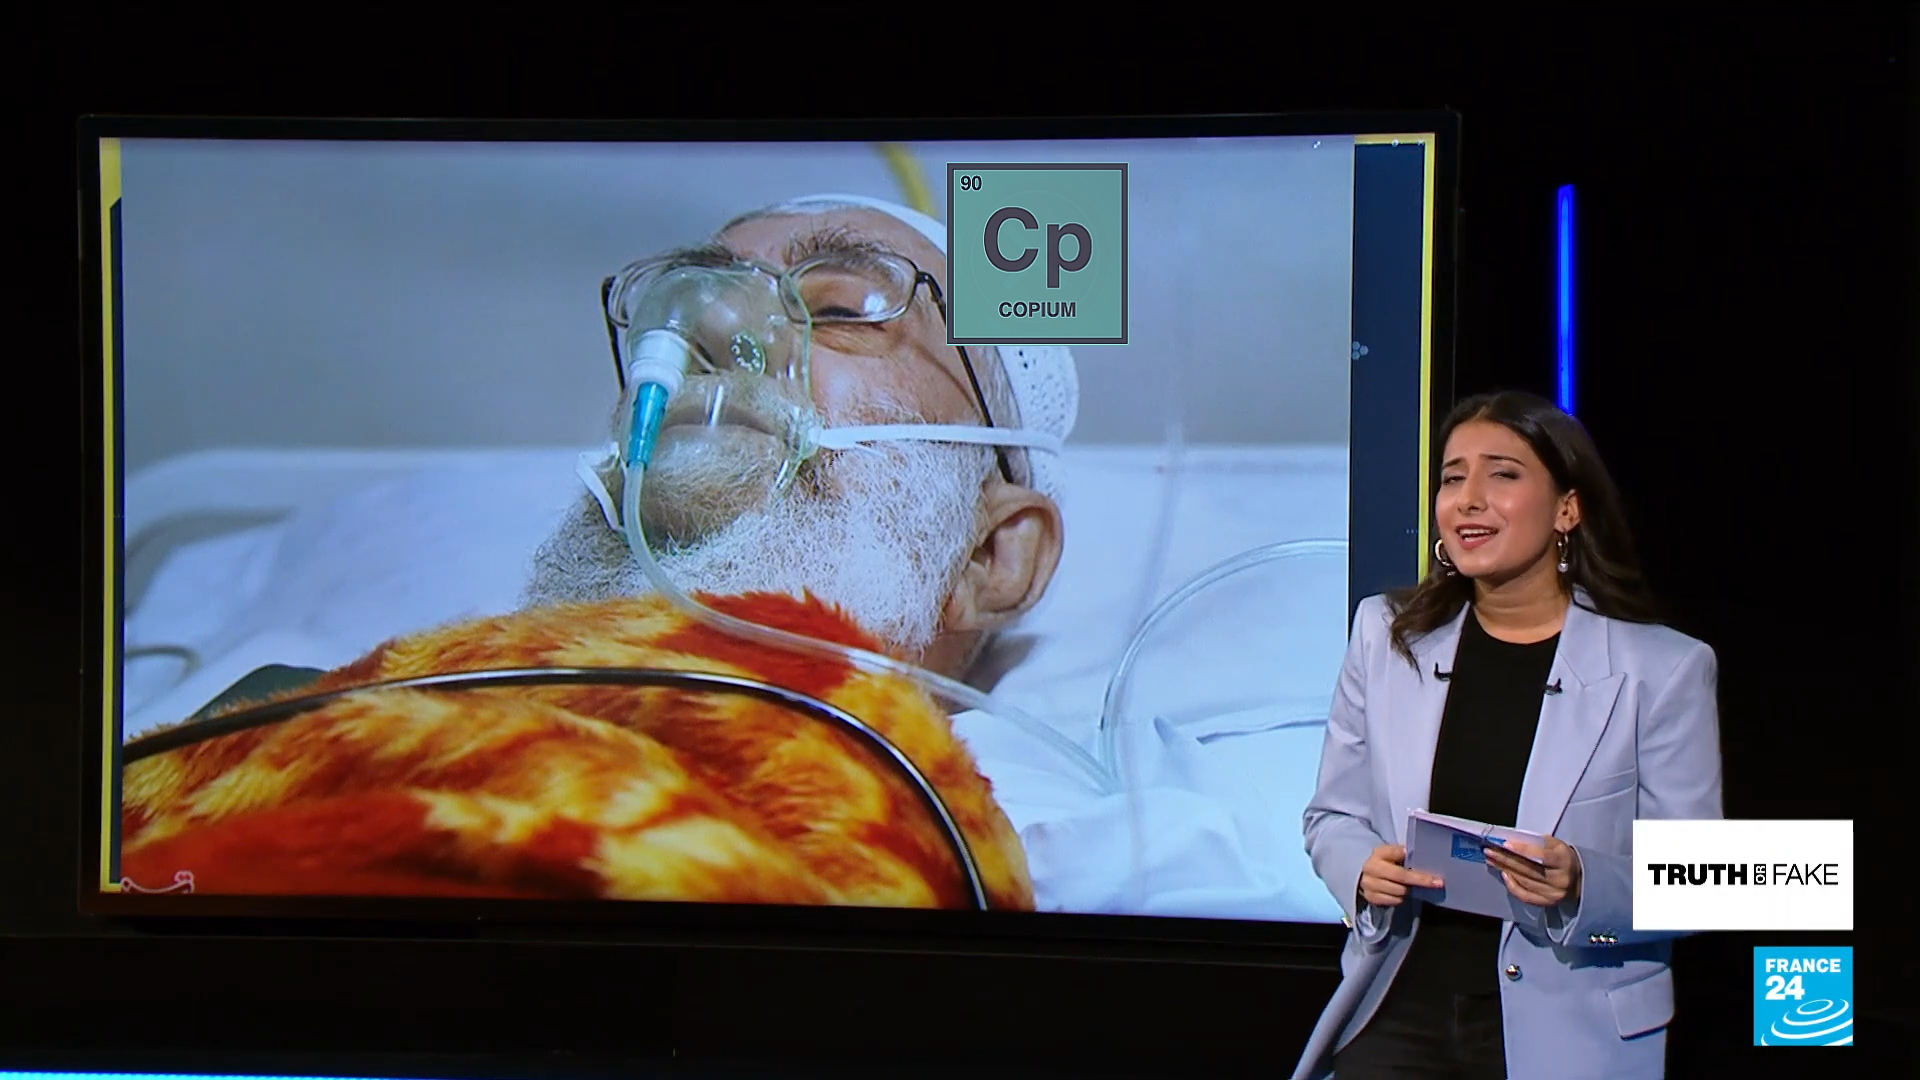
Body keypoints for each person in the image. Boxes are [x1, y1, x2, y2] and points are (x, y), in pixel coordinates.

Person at [1289, 391, 1723, 1080]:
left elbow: (1706, 877)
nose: (1468, 499)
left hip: (1570, 1024)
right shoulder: (1385, 637)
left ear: (1567, 509)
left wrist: (1583, 880)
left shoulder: (1662, 669)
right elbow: (1331, 816)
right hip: (1400, 1005)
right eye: (1453, 477)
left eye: (1502, 474)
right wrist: (1361, 869)